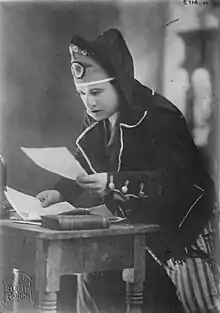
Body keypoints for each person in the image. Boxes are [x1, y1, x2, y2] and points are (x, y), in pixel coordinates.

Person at [37, 29, 220, 313]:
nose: (89, 102)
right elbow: (81, 167)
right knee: (92, 277)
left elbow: (171, 182)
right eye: (82, 93)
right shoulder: (97, 119)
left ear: (120, 84)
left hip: (186, 230)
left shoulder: (161, 117)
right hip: (139, 231)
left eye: (96, 92)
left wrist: (112, 182)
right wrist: (59, 190)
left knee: (203, 304)